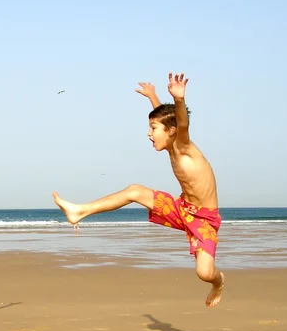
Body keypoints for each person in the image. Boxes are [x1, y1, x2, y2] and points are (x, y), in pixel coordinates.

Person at [53, 73, 224, 307]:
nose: (148, 133)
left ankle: (219, 283)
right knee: (134, 190)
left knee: (204, 273)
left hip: (204, 218)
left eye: (152, 128)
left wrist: (179, 100)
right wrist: (153, 96)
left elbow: (180, 123)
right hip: (182, 208)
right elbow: (168, 119)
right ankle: (79, 211)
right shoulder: (171, 144)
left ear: (171, 131)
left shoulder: (183, 146)